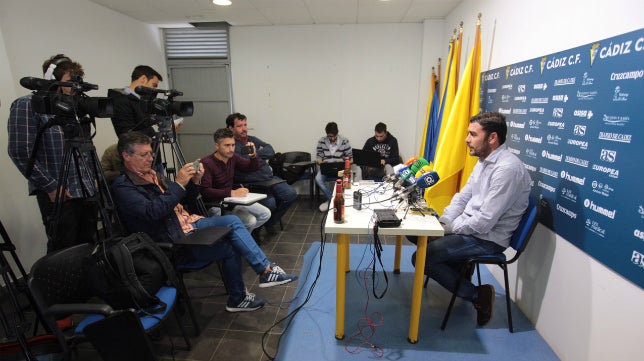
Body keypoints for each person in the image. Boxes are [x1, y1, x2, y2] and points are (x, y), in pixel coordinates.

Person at [110, 131, 298, 312]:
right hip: (173, 239)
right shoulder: (123, 187)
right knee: (231, 236)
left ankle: (250, 286)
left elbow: (185, 201)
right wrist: (178, 184)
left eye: (151, 153)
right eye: (144, 155)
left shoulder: (153, 174)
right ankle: (257, 280)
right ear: (126, 156)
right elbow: (153, 212)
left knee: (233, 222)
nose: (150, 158)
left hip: (188, 223)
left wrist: (194, 183)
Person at [408, 112, 532, 326]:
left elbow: (485, 222)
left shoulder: (507, 169)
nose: (466, 139)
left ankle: (477, 295)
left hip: (488, 238)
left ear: (492, 138)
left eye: (472, 134)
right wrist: (444, 223)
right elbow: (462, 196)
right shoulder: (485, 161)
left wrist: (447, 231)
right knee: (414, 234)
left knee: (420, 258)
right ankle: (460, 271)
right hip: (472, 228)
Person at [8, 54, 98, 253]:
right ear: (52, 79)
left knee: (87, 246)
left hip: (86, 190)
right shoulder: (28, 105)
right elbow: (20, 151)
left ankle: (86, 284)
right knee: (63, 250)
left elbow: (86, 146)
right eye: (69, 81)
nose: (74, 87)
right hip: (58, 193)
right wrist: (49, 186)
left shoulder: (75, 107)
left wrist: (95, 178)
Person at [227, 113, 297, 235]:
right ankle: (257, 230)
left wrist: (255, 155)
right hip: (252, 182)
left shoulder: (252, 139)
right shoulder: (232, 145)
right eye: (239, 126)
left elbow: (270, 150)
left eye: (245, 125)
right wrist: (256, 154)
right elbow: (245, 161)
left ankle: (270, 222)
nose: (244, 129)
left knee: (290, 194)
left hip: (269, 178)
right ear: (231, 128)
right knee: (271, 203)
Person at [200, 128, 271, 236]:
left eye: (233, 145)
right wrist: (231, 193)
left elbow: (251, 168)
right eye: (227, 145)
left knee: (265, 213)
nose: (231, 149)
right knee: (250, 221)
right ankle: (240, 240)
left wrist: (253, 156)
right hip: (215, 204)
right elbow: (206, 192)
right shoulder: (207, 163)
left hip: (231, 200)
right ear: (217, 146)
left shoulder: (233, 158)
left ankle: (239, 236)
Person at [109, 65, 169, 174]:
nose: (154, 90)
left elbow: (144, 126)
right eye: (153, 85)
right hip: (138, 160)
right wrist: (154, 133)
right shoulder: (120, 100)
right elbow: (126, 133)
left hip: (153, 155)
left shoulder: (142, 101)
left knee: (161, 187)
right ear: (143, 79)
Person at [315, 122, 361, 211]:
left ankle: (340, 200)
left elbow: (351, 158)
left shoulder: (344, 141)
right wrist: (320, 162)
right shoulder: (321, 141)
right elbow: (319, 156)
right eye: (329, 136)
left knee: (347, 179)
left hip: (340, 168)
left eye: (333, 136)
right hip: (326, 167)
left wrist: (346, 163)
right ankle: (333, 200)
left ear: (337, 133)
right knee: (318, 179)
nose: (331, 138)